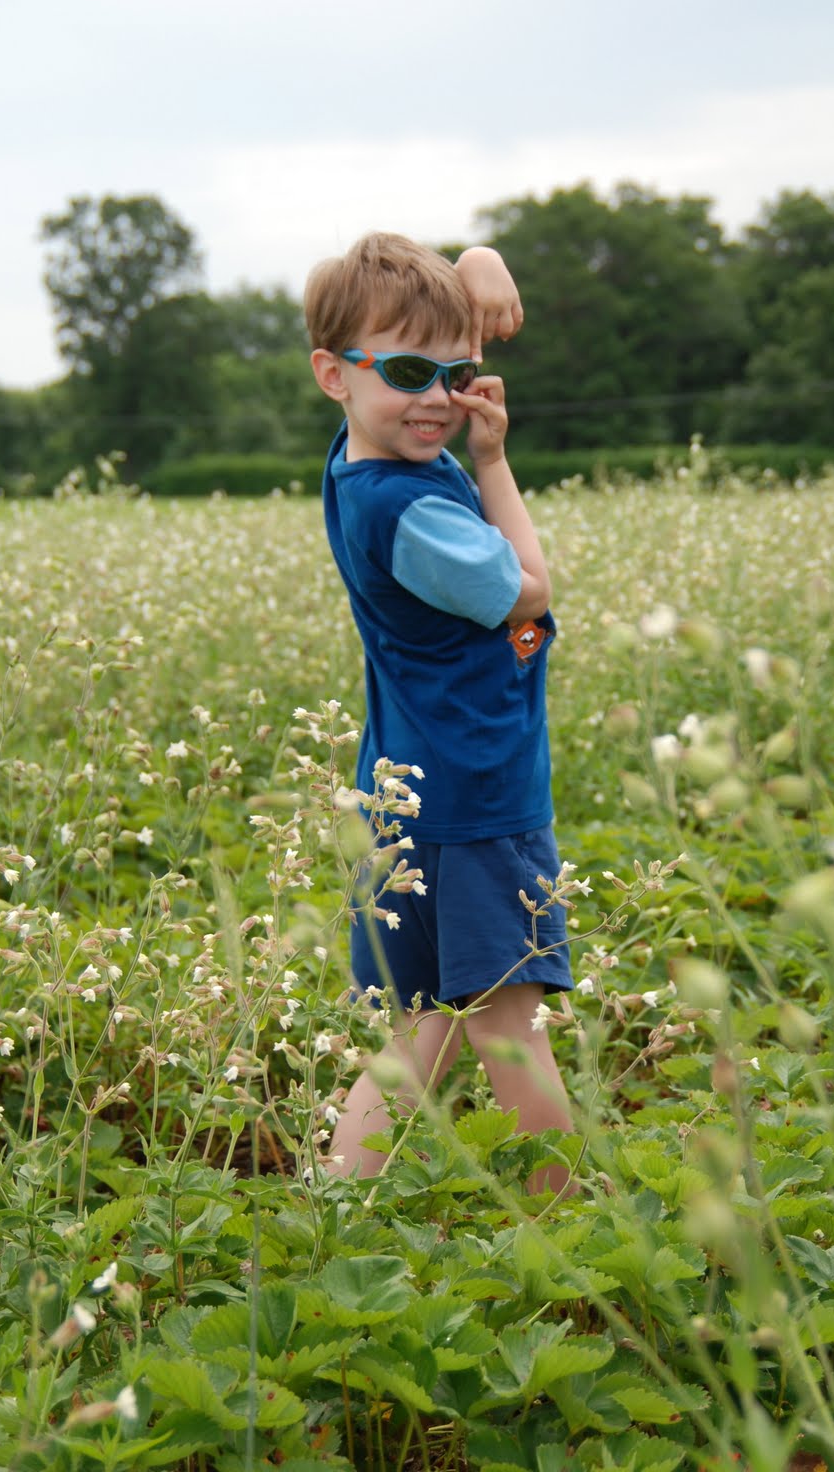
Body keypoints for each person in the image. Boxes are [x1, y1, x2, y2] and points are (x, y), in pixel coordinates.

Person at [307, 233, 573, 1189]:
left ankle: (336, 1203)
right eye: (410, 375)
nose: (436, 399)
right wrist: (492, 459)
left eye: (456, 375)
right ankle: (566, 1230)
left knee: (421, 1021)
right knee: (509, 1026)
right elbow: (530, 589)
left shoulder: (359, 459)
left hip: (406, 788)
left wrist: (481, 257)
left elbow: (409, 322)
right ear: (332, 374)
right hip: (474, 800)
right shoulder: (416, 513)